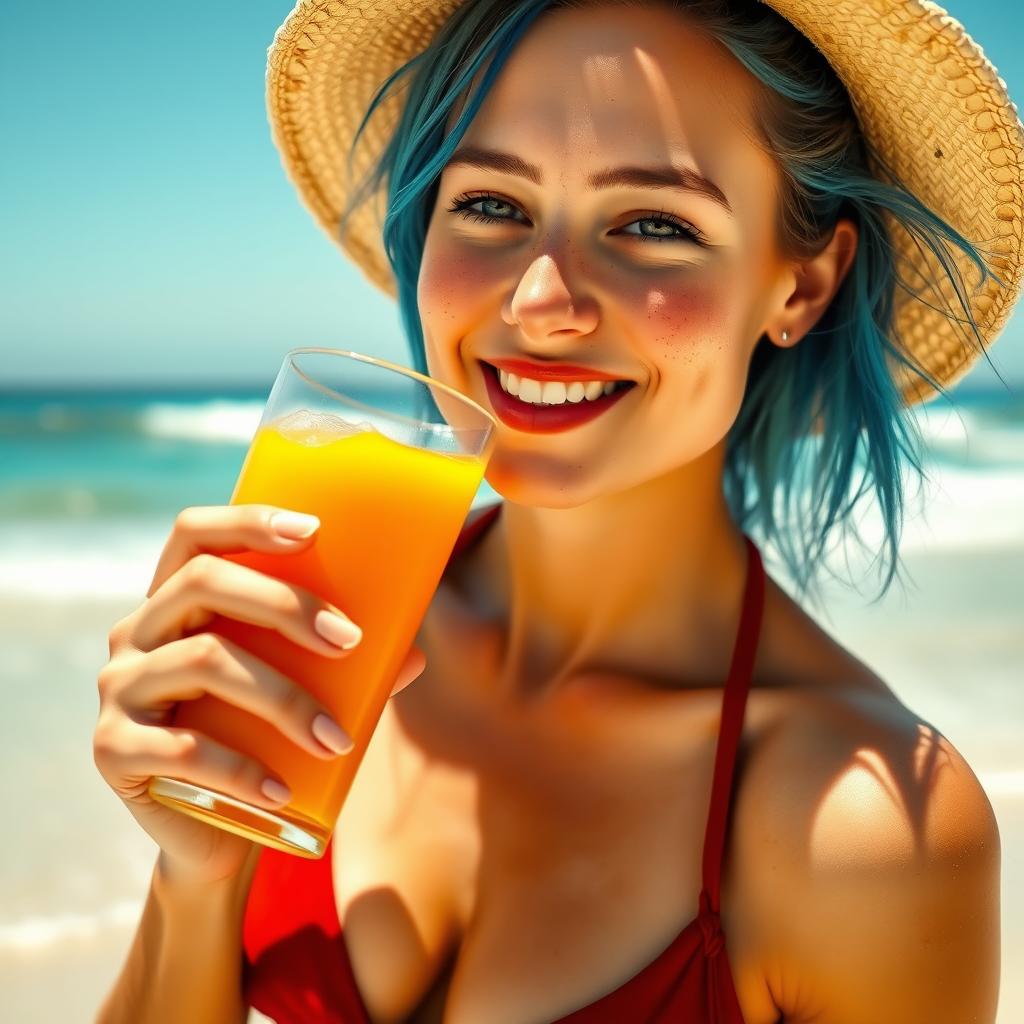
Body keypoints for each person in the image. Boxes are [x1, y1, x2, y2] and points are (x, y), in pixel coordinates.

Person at [94, 0, 1022, 1021]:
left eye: (655, 224)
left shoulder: (868, 831)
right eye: (491, 204)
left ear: (800, 285)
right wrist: (200, 876)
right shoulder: (316, 632)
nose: (540, 300)